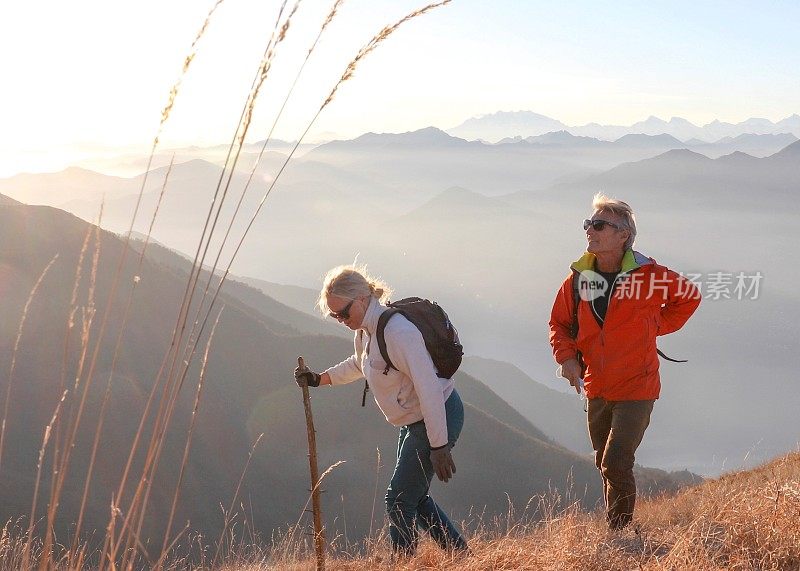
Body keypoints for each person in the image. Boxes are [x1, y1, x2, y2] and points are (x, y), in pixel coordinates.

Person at [549, 193, 700, 530]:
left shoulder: (650, 275)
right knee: (605, 463)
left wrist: (655, 326)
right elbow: (558, 323)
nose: (590, 229)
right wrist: (567, 358)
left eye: (599, 224)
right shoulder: (577, 280)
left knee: (616, 462)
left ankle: (621, 532)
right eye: (589, 223)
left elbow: (689, 297)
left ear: (623, 236)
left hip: (637, 386)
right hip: (596, 385)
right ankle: (617, 529)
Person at [294, 264, 468, 556]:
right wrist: (319, 379)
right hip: (417, 420)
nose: (340, 320)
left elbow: (429, 388)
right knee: (415, 497)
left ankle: (404, 563)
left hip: (437, 414)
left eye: (343, 313)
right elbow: (359, 363)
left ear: (362, 298)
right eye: (334, 315)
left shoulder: (398, 333)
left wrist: (439, 444)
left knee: (399, 499)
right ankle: (461, 555)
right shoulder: (366, 331)